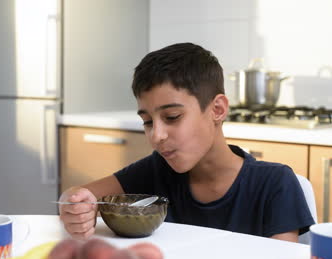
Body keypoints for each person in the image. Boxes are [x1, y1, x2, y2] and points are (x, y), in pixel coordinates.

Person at [58, 43, 315, 242]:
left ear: (217, 109)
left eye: (172, 117)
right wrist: (75, 206)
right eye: (148, 121)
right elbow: (80, 196)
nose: (156, 135)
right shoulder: (157, 171)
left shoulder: (276, 185)